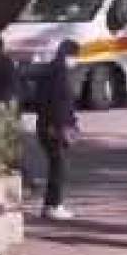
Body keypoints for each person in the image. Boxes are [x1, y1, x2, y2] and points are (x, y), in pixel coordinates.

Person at [37, 39, 81, 220]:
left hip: (47, 125)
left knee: (56, 166)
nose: (76, 61)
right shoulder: (60, 76)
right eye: (75, 57)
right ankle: (54, 205)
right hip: (54, 128)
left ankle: (50, 205)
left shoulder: (50, 72)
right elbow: (59, 105)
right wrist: (65, 125)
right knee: (59, 168)